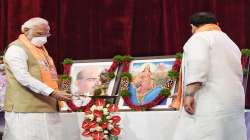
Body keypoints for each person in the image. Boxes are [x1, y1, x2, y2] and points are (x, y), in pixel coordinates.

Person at [173, 12, 247, 140]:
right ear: (217, 24)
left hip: (209, 102)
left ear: (193, 27)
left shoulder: (199, 38)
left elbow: (198, 66)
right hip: (232, 102)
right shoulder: (230, 42)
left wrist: (189, 94)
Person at [3, 17, 72, 140]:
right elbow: (23, 77)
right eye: (40, 34)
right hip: (25, 110)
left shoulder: (41, 50)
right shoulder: (16, 49)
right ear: (25, 30)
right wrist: (52, 92)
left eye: (47, 34)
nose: (44, 37)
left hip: (48, 106)